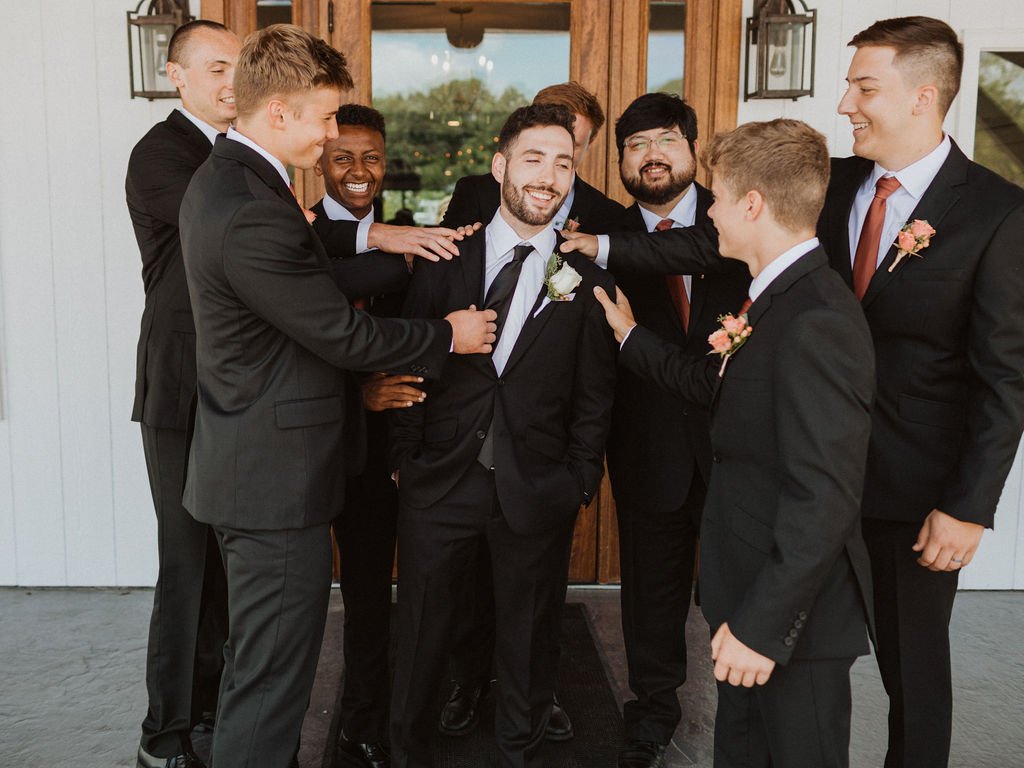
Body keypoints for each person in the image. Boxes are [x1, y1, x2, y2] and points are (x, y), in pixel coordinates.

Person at [564, 16, 1024, 768]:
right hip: (803, 470)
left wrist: (969, 505)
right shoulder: (832, 183)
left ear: (923, 95)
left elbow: (1005, 377)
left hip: (911, 488)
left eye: (863, 86)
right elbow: (718, 237)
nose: (845, 103)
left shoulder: (996, 212)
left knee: (913, 670)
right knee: (794, 669)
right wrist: (608, 248)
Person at [178, 25, 496, 768]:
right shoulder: (253, 203)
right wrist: (447, 334)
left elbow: (307, 287)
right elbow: (340, 336)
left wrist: (394, 243)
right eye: (324, 119)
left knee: (260, 675)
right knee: (269, 686)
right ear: (279, 112)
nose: (330, 137)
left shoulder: (239, 180)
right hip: (272, 483)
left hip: (253, 469)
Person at [594, 118, 876, 768]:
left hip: (786, 628)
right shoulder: (774, 302)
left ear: (752, 205)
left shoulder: (816, 321)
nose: (708, 214)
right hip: (748, 611)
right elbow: (719, 392)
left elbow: (825, 496)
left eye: (716, 199)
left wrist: (762, 626)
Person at [388, 103, 618, 768]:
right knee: (425, 634)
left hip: (537, 484)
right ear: (500, 167)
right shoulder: (441, 257)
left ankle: (518, 751)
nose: (549, 176)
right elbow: (408, 356)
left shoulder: (586, 279)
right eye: (534, 159)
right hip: (440, 477)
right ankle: (409, 753)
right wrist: (406, 457)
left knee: (528, 638)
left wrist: (579, 478)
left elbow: (593, 394)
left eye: (564, 164)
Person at [600, 93, 748, 768]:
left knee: (738, 593)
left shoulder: (742, 216)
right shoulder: (598, 234)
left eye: (665, 140)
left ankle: (747, 719)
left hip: (739, 450)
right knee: (650, 597)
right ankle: (652, 713)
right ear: (620, 161)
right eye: (635, 145)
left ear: (693, 150)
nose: (652, 155)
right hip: (646, 445)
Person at [125, 20, 240, 768]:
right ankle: (162, 737)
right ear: (178, 74)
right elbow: (237, 232)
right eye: (219, 66)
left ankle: (211, 718)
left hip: (232, 391)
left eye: (243, 66)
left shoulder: (231, 154)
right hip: (178, 391)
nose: (235, 79)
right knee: (186, 565)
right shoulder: (163, 152)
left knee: (227, 567)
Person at [310, 103, 415, 768]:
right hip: (335, 448)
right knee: (367, 596)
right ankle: (364, 722)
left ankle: (436, 701)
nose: (357, 170)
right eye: (343, 156)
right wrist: (359, 392)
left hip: (418, 445)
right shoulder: (298, 238)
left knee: (440, 588)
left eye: (370, 157)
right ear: (320, 159)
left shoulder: (416, 241)